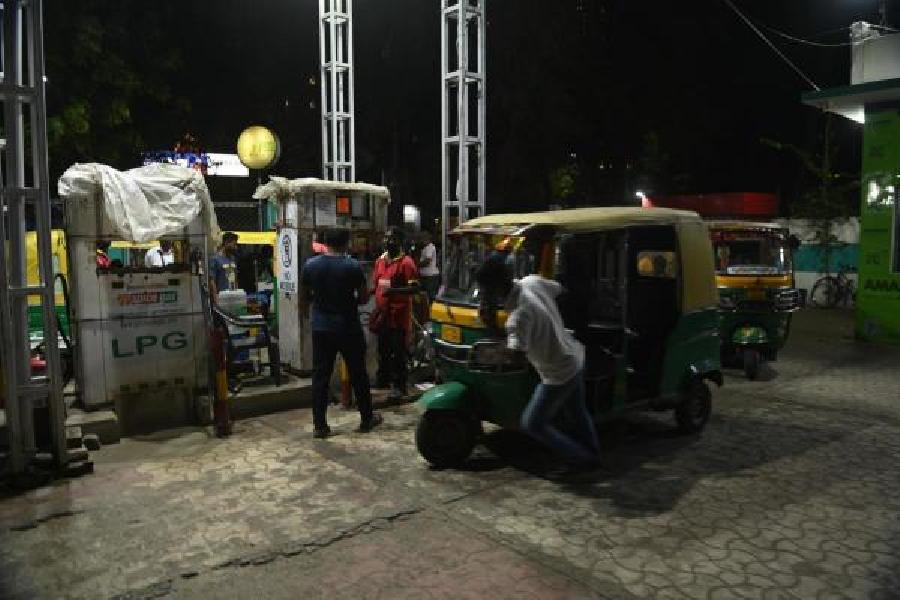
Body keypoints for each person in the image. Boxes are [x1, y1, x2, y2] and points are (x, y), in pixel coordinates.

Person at [475, 254, 600, 470]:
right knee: (578, 412)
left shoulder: (518, 318)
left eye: (486, 290)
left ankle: (581, 459)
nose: (484, 296)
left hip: (558, 373)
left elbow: (516, 356)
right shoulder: (532, 281)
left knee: (532, 423)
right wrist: (550, 327)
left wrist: (493, 329)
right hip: (575, 356)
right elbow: (561, 291)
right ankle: (592, 455)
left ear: (496, 287)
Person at [299, 228, 382, 438]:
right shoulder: (352, 266)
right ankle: (366, 419)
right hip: (348, 328)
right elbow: (364, 298)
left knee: (320, 377)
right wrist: (349, 300)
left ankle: (320, 426)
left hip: (321, 328)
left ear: (325, 242)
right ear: (346, 243)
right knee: (358, 374)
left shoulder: (310, 265)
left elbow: (303, 298)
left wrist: (310, 316)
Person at [372, 227, 419, 400]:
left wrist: (394, 291)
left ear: (400, 241)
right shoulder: (380, 261)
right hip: (382, 314)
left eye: (392, 238)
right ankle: (383, 380)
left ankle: (400, 386)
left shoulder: (406, 263)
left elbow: (414, 288)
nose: (387, 241)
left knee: (398, 352)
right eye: (386, 238)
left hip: (398, 315)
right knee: (382, 349)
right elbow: (376, 284)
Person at [208, 232, 239, 304]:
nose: (235, 247)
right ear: (226, 243)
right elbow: (212, 280)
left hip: (233, 296)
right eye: (234, 244)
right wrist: (215, 297)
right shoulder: (215, 259)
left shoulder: (233, 258)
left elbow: (235, 277)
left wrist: (237, 293)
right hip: (221, 297)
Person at [418, 231, 440, 302]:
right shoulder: (426, 247)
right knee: (427, 295)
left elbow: (428, 260)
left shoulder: (430, 247)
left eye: (422, 238)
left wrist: (417, 265)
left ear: (427, 238)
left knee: (430, 296)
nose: (421, 241)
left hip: (430, 276)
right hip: (428, 276)